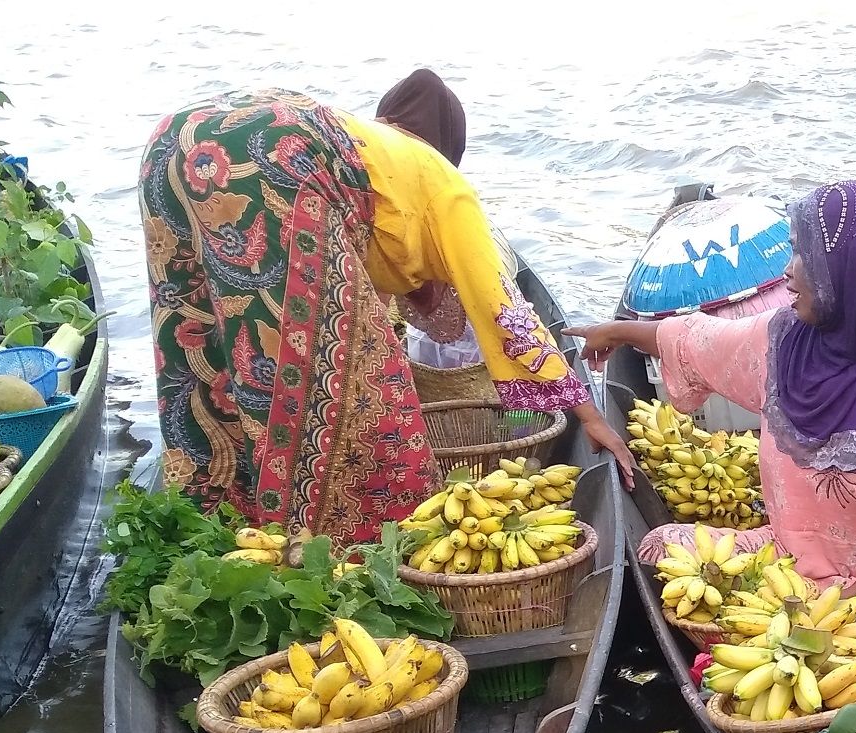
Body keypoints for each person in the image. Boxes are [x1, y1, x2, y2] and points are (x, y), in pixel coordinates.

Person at [140, 71, 627, 543]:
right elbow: (506, 315)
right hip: (272, 152)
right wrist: (590, 417)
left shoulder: (377, 155)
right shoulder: (444, 185)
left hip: (175, 140)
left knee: (208, 351)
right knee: (363, 408)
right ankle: (339, 547)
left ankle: (216, 520)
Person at [572, 180, 856, 599]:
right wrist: (617, 331)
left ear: (851, 271)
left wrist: (854, 598)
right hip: (788, 563)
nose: (787, 271)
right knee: (660, 547)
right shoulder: (784, 340)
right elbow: (694, 340)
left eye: (804, 255)